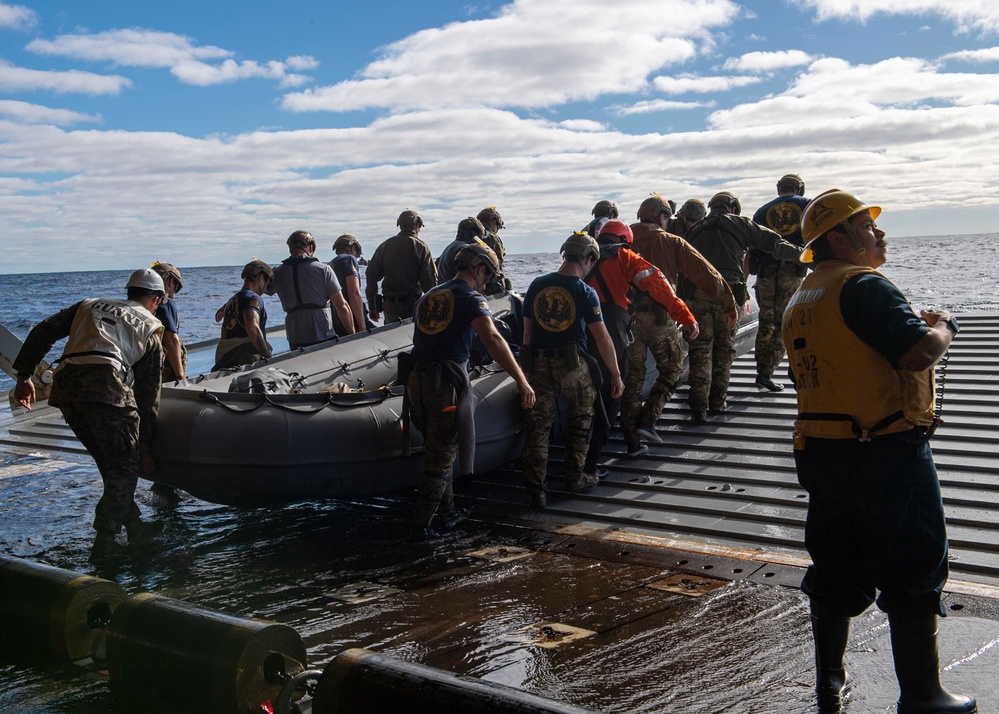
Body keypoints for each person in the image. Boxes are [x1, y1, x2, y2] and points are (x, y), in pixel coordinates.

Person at [782, 189, 974, 714]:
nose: (880, 234)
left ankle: (830, 683)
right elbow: (917, 353)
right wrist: (945, 326)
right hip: (885, 451)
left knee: (835, 566)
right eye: (867, 227)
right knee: (914, 565)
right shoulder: (863, 286)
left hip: (823, 453)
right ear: (839, 239)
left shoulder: (802, 298)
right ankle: (924, 695)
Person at [12, 269, 167, 562]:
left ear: (129, 291)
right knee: (123, 468)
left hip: (67, 389)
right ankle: (105, 542)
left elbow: (43, 331)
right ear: (157, 299)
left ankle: (134, 526)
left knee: (108, 464)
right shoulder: (150, 327)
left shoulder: (88, 305)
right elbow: (149, 396)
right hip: (108, 391)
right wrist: (144, 446)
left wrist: (23, 376)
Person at [404, 243, 535, 539]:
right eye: (486, 276)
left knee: (439, 449)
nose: (485, 282)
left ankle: (447, 513)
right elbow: (491, 337)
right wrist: (521, 379)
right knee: (440, 457)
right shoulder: (470, 297)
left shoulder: (428, 296)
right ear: (479, 270)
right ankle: (420, 528)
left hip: (418, 380)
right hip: (446, 385)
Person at [624, 195, 737, 455]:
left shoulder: (624, 239)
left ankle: (632, 442)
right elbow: (705, 273)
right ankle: (648, 420)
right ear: (663, 216)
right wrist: (729, 303)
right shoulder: (670, 241)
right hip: (661, 320)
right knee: (674, 368)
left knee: (633, 380)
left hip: (628, 323)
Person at [584, 219, 698, 475]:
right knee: (626, 385)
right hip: (616, 333)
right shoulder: (627, 258)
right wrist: (686, 317)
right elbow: (660, 286)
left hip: (587, 335)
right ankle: (641, 427)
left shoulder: (586, 257)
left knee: (625, 385)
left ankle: (629, 444)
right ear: (625, 239)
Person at [520, 233, 622, 508]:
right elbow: (602, 337)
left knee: (538, 428)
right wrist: (615, 373)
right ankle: (575, 478)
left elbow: (527, 335)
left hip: (538, 364)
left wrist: (526, 373)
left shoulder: (536, 285)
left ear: (565, 254)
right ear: (588, 258)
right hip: (572, 365)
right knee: (582, 421)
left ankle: (537, 491)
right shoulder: (585, 292)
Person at [683, 191, 802, 423]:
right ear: (733, 207)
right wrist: (805, 256)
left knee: (700, 350)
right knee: (725, 349)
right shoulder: (741, 224)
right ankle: (717, 402)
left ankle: (698, 407)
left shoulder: (695, 229)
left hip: (698, 293)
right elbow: (775, 244)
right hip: (729, 293)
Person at [751, 174, 810, 392]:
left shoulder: (762, 211)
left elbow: (753, 245)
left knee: (766, 322)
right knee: (786, 323)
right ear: (799, 188)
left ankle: (760, 371)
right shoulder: (808, 206)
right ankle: (766, 372)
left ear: (779, 189)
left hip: (765, 273)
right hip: (792, 273)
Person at [271, 230, 355, 349]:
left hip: (295, 337)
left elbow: (266, 291)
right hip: (323, 335)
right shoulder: (323, 270)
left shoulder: (278, 273)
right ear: (310, 248)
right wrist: (353, 336)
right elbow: (342, 306)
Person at [366, 210, 438, 324]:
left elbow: (371, 275)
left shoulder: (384, 246)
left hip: (389, 307)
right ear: (417, 225)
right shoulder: (421, 247)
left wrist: (372, 306)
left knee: (391, 339)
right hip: (412, 307)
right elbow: (429, 283)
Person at [213, 259, 274, 371]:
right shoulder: (253, 298)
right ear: (260, 277)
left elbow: (224, 334)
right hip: (245, 358)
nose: (265, 289)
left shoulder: (232, 301)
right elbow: (253, 327)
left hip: (227, 358)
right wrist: (267, 355)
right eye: (267, 284)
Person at [150, 261, 186, 382]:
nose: (173, 294)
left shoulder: (145, 303)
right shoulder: (164, 302)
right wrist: (180, 376)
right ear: (171, 281)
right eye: (175, 287)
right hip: (163, 367)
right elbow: (170, 339)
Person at [328, 234, 369, 334]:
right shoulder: (349, 259)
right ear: (353, 248)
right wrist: (362, 326)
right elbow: (354, 293)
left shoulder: (331, 264)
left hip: (336, 318)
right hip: (351, 316)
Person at [437, 217, 487, 282]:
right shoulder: (465, 250)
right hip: (455, 291)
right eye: (480, 238)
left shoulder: (451, 247)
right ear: (474, 235)